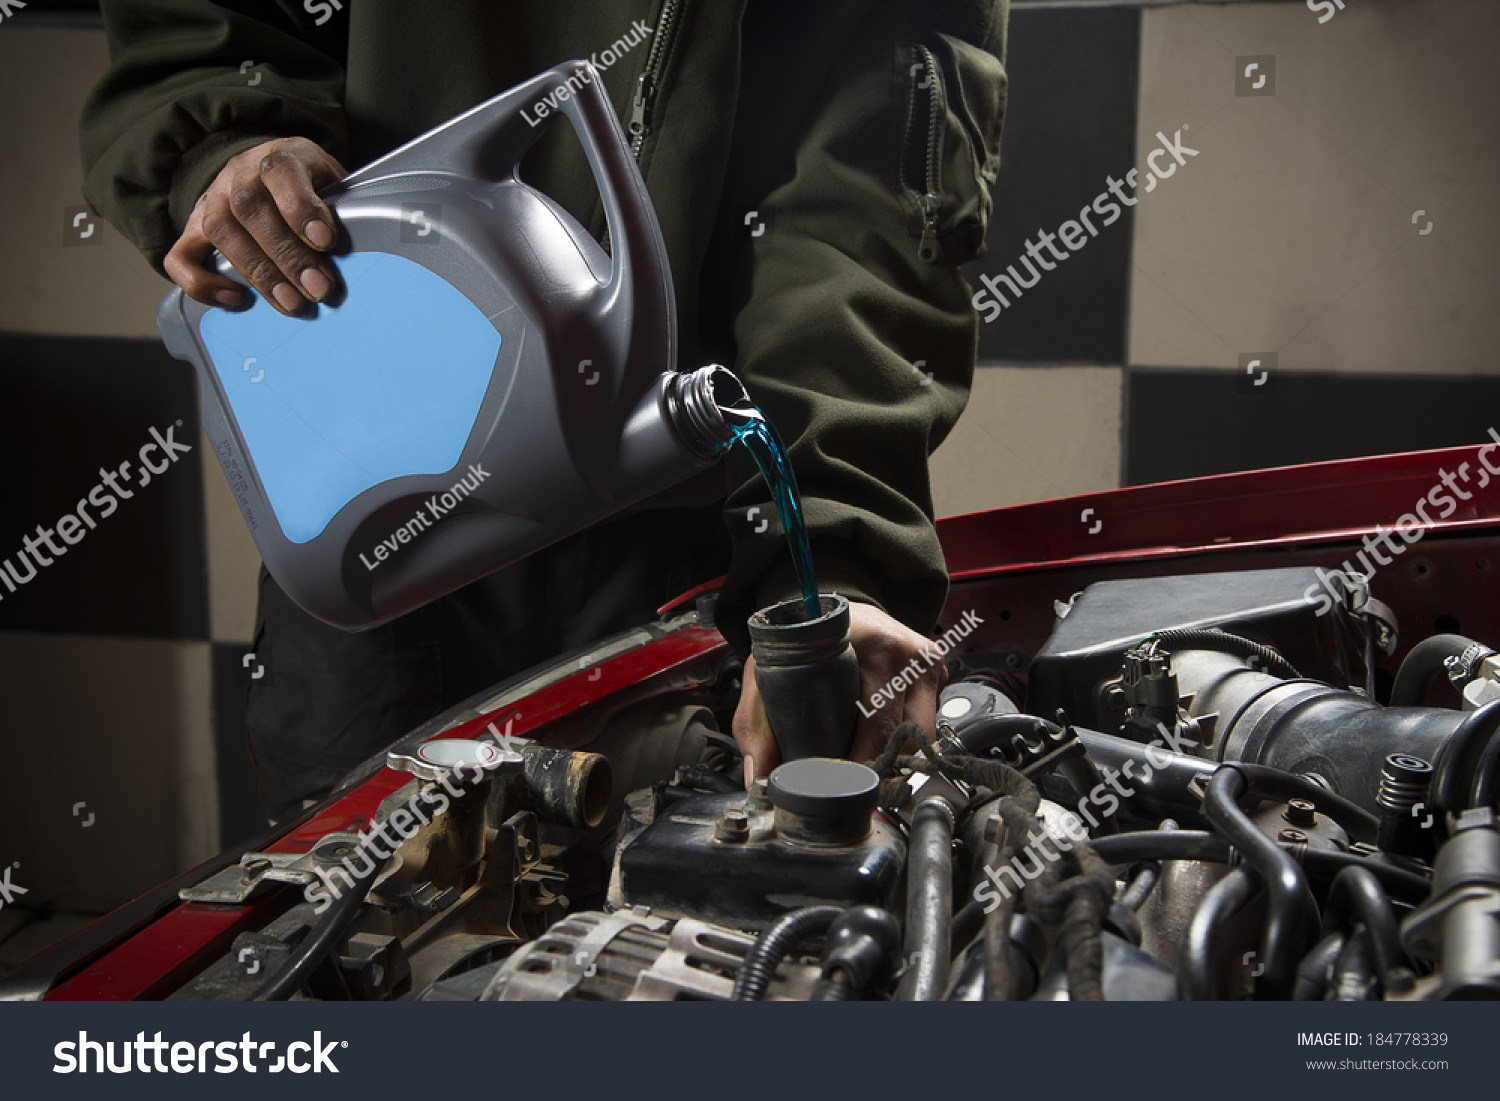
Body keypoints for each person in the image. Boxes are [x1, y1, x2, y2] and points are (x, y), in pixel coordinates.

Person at [80, 0, 1009, 821]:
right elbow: (196, 28)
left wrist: (832, 564)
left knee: (698, 891)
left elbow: (859, 216)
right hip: (370, 489)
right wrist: (225, 137)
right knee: (353, 915)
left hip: (694, 522)